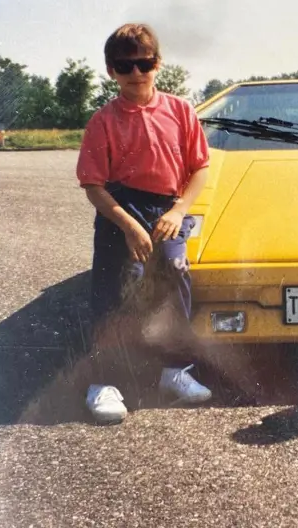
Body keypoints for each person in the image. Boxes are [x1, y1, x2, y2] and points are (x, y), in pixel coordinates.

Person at [76, 23, 212, 423]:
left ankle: (175, 372)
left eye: (144, 63)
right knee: (120, 283)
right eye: (124, 65)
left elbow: (200, 169)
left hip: (166, 209)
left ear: (158, 64)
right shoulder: (103, 121)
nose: (136, 73)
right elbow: (93, 185)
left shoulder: (180, 111)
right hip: (121, 208)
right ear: (110, 70)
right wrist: (127, 225)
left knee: (174, 274)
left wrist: (178, 210)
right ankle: (103, 383)